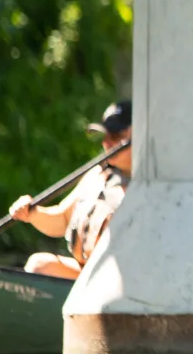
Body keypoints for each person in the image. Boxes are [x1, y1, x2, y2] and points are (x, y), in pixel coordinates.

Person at [8, 100, 132, 279]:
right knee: (39, 265)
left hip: (121, 282)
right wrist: (32, 213)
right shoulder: (98, 174)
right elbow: (63, 219)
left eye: (116, 135)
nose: (107, 143)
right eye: (105, 136)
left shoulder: (152, 186)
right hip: (89, 274)